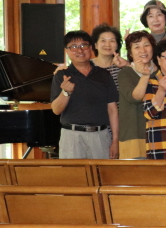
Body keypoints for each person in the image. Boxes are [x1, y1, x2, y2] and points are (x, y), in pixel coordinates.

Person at [51, 30, 120, 160]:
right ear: (67, 51)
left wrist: (115, 140)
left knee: (102, 173)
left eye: (84, 45)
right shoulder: (62, 75)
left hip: (101, 135)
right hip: (71, 136)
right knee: (75, 173)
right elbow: (56, 110)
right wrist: (65, 92)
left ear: (91, 48)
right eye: (73, 47)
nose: (80, 50)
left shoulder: (104, 75)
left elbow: (112, 109)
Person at [117, 31, 155, 159]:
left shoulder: (162, 71)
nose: (143, 50)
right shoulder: (126, 73)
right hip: (133, 135)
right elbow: (135, 97)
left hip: (158, 135)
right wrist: (145, 75)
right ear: (130, 53)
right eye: (137, 47)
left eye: (146, 45)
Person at [90, 24, 127, 90]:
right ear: (95, 45)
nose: (107, 44)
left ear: (117, 46)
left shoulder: (122, 65)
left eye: (112, 41)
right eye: (103, 40)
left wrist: (127, 64)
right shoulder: (87, 66)